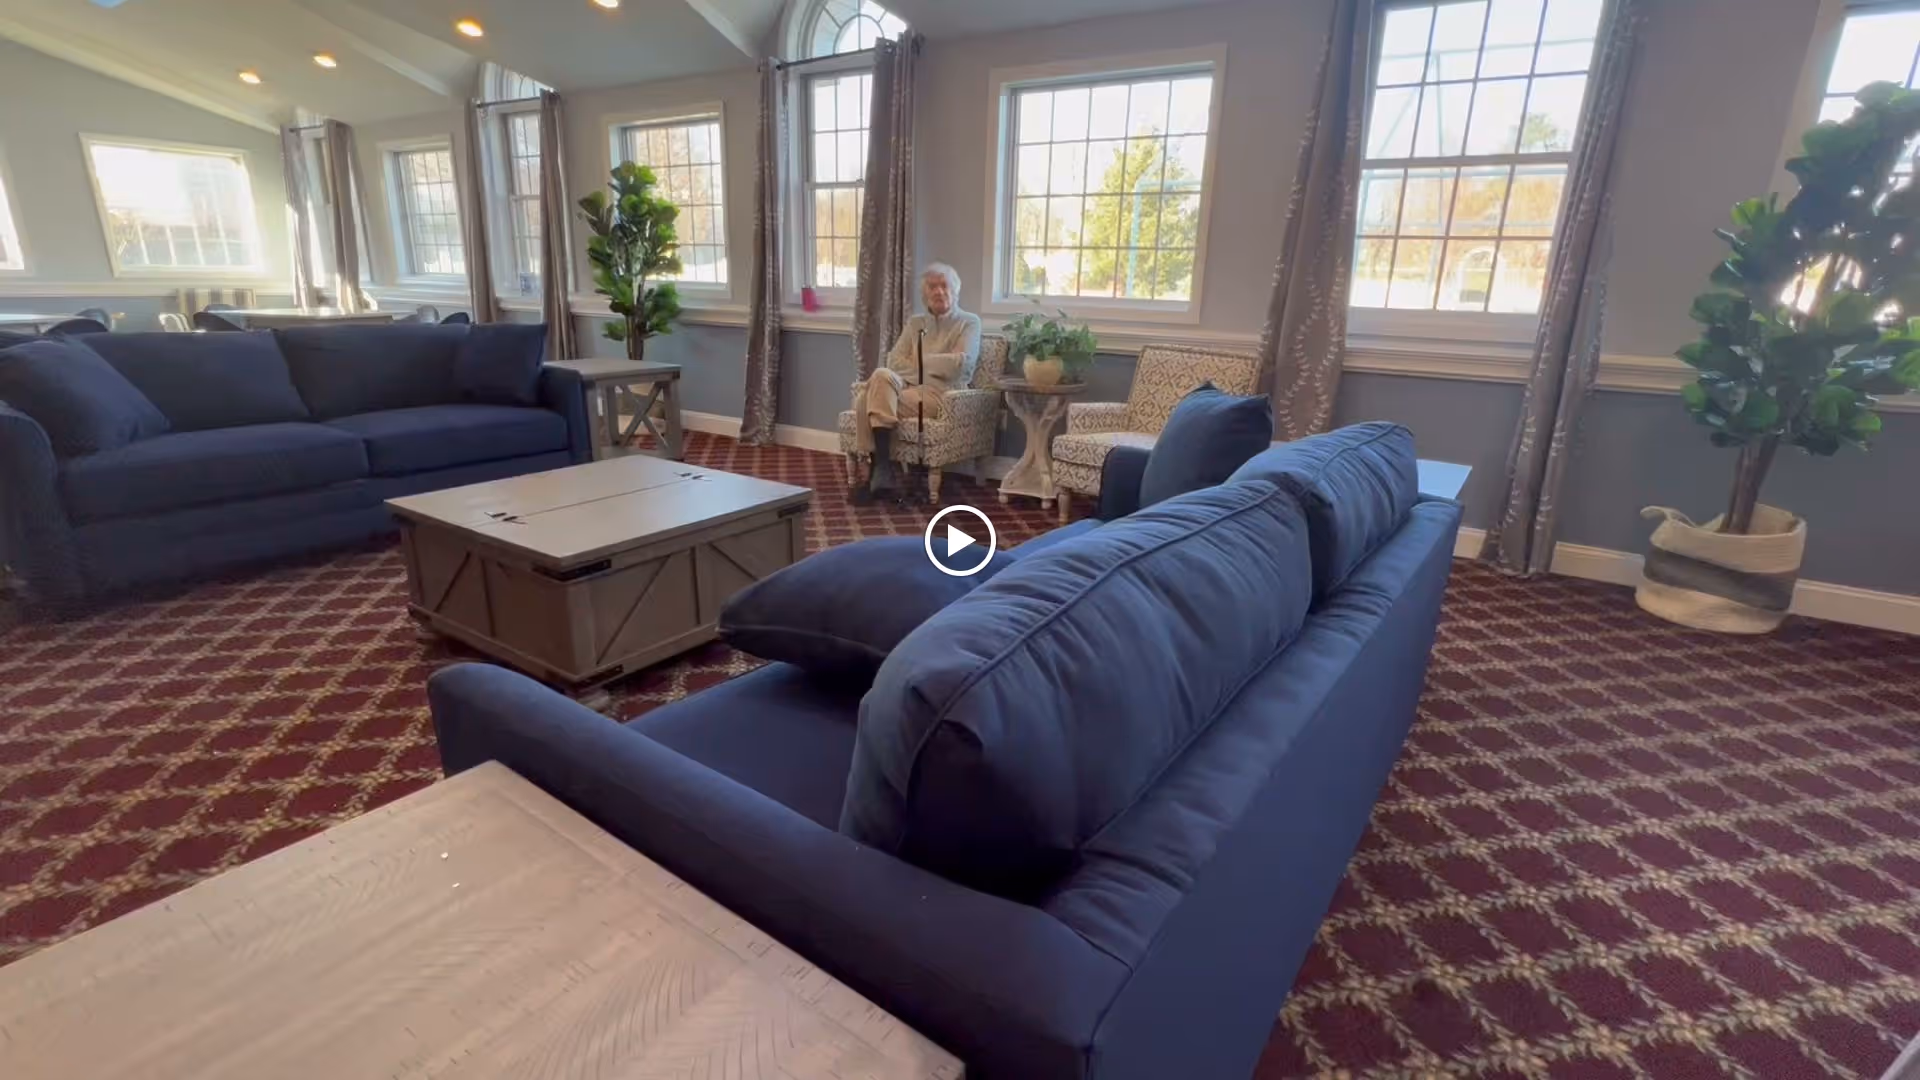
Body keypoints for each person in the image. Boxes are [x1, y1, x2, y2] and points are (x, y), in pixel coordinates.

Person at [850, 262, 983, 501]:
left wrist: (919, 360)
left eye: (944, 286)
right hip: (907, 389)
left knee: (864, 400)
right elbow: (894, 361)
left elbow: (961, 365)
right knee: (881, 374)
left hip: (941, 394)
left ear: (955, 290)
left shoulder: (969, 322)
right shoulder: (915, 323)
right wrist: (935, 365)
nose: (938, 291)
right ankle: (882, 470)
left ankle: (875, 470)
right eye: (932, 286)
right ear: (925, 293)